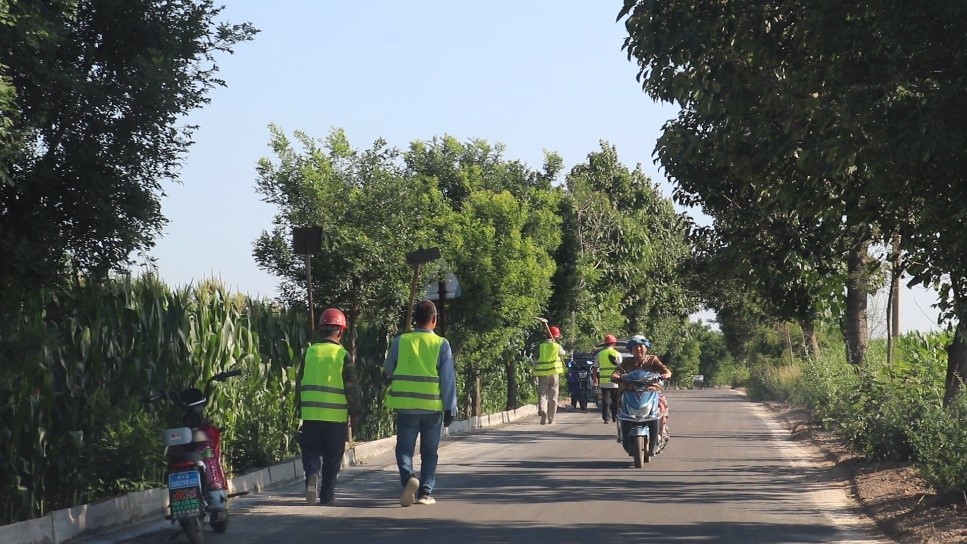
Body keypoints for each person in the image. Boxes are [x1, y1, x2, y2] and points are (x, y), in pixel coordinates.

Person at [384, 299, 457, 507]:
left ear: (415, 320)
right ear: (434, 320)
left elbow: (388, 369)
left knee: (404, 450)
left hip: (406, 407)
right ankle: (425, 493)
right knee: (429, 452)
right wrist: (450, 407)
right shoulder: (441, 344)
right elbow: (447, 379)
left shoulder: (400, 341)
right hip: (432, 409)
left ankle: (409, 479)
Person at [296, 307, 361, 505]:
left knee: (310, 452)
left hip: (310, 415)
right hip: (335, 418)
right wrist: (356, 413)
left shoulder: (309, 352)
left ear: (321, 330)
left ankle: (312, 474)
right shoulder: (342, 355)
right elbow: (352, 388)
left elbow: (299, 384)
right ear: (340, 332)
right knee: (333, 458)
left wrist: (298, 410)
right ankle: (327, 496)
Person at [611, 334, 672, 438]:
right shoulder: (627, 362)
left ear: (646, 348)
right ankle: (622, 429)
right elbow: (616, 372)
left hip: (651, 390)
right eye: (635, 347)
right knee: (620, 402)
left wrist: (665, 374)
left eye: (641, 346)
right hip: (631, 391)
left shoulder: (653, 360)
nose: (638, 349)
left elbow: (665, 370)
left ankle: (662, 428)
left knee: (662, 403)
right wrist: (617, 376)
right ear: (631, 349)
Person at [532, 325, 566, 425]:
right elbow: (563, 353)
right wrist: (556, 346)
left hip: (542, 374)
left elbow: (535, 361)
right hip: (554, 374)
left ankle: (543, 410)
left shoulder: (540, 346)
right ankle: (551, 418)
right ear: (556, 336)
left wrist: (533, 374)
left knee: (542, 394)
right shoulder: (557, 346)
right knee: (553, 396)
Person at [594, 334, 622, 424]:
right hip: (615, 382)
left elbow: (595, 367)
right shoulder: (617, 354)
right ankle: (615, 417)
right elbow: (621, 368)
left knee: (605, 401)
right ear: (614, 344)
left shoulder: (600, 354)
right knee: (615, 401)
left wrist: (595, 378)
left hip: (604, 381)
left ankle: (606, 418)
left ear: (605, 344)